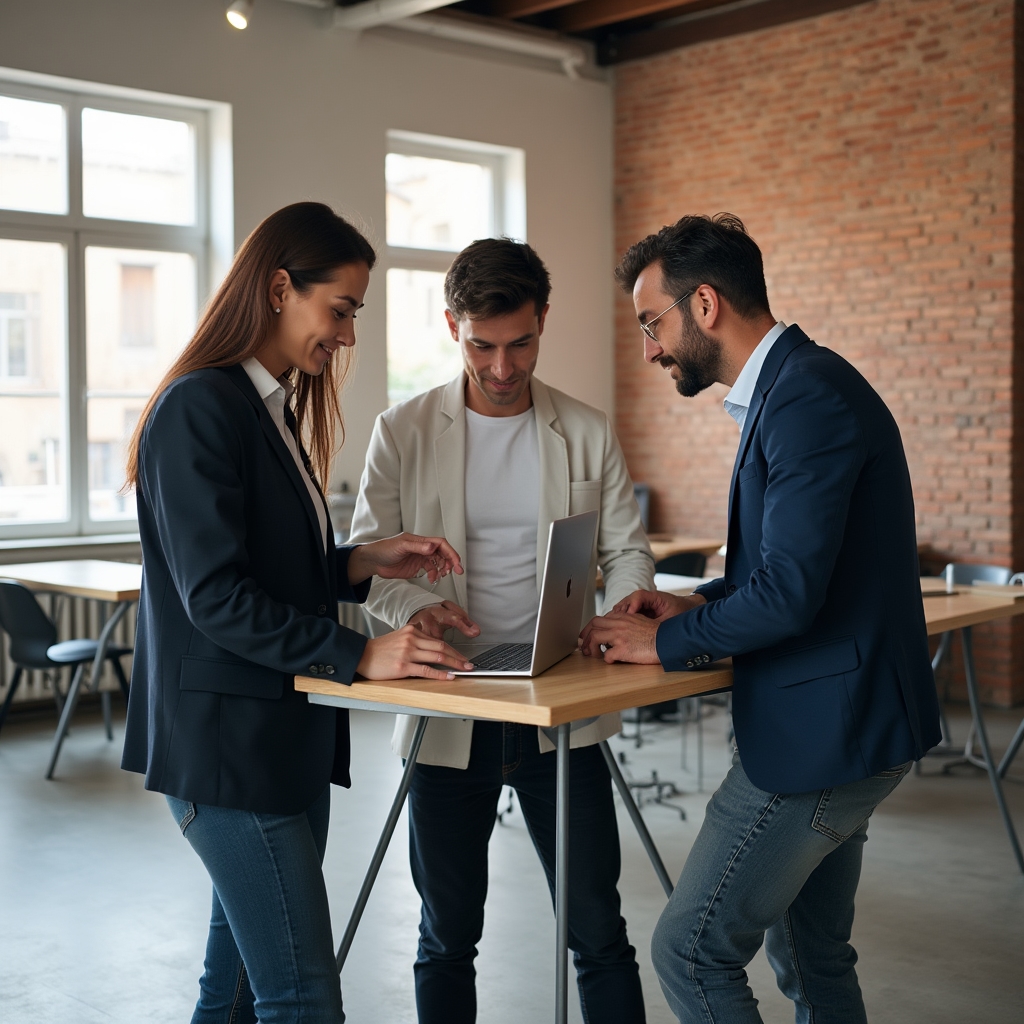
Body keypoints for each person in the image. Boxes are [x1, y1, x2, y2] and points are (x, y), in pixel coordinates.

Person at [580, 214, 941, 1024]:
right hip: (847, 729)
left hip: (823, 740)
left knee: (689, 951)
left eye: (652, 322)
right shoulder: (792, 389)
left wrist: (663, 641)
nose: (649, 349)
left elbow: (788, 596)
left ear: (703, 304)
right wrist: (692, 601)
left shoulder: (806, 396)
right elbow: (791, 575)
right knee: (811, 956)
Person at [121, 202, 474, 1024]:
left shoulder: (266, 406)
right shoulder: (198, 408)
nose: (347, 335)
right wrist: (359, 654)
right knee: (303, 999)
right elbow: (215, 597)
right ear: (281, 289)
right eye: (341, 309)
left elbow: (264, 571)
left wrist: (358, 564)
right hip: (227, 750)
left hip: (275, 738)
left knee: (240, 991)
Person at [348, 238, 654, 1024]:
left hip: (563, 709)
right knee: (446, 935)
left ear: (543, 320)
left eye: (520, 342)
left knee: (600, 930)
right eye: (482, 345)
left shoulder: (585, 429)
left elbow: (627, 553)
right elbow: (368, 564)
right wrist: (417, 611)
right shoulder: (402, 430)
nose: (503, 365)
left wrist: (622, 616)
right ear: (451, 325)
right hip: (452, 707)